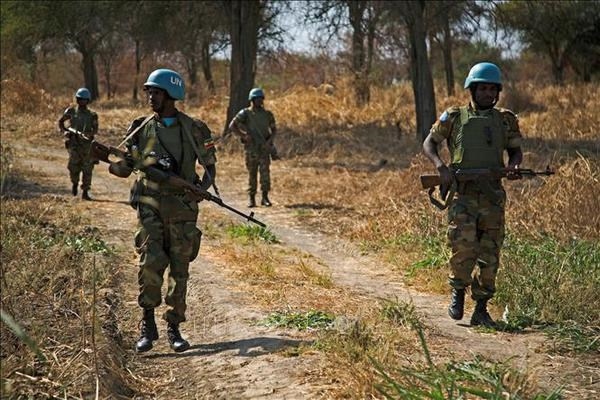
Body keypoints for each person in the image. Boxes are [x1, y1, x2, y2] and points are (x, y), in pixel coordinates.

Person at [115, 69, 217, 353]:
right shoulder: (140, 126)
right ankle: (148, 325)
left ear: (171, 96)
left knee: (179, 269)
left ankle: (175, 327)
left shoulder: (195, 128)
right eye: (148, 91)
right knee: (149, 263)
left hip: (182, 209)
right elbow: (123, 169)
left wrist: (200, 190)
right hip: (149, 206)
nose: (150, 97)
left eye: (156, 92)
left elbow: (210, 168)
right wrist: (111, 159)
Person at [422, 62, 523, 328]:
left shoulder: (505, 120)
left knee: (490, 255)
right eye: (483, 89)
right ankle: (457, 293)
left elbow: (515, 151)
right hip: (463, 196)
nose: (488, 93)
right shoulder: (454, 116)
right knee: (463, 248)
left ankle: (481, 308)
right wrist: (441, 167)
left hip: (492, 197)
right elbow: (429, 143)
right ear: (473, 90)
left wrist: (513, 166)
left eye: (492, 89)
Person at [228, 87, 278, 208]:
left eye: (261, 99)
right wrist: (244, 135)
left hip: (264, 149)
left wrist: (269, 142)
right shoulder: (245, 113)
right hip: (251, 149)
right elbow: (232, 126)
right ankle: (252, 198)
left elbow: (274, 130)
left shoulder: (268, 114)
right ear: (252, 100)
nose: (260, 101)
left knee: (265, 173)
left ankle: (265, 197)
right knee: (252, 174)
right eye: (257, 99)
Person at [58, 88, 98, 200]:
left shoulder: (92, 115)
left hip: (87, 146)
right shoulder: (71, 112)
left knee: (87, 169)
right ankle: (74, 184)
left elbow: (95, 129)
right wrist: (65, 131)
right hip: (74, 144)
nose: (81, 101)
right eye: (79, 99)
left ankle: (85, 191)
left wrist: (87, 135)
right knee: (73, 167)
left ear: (88, 100)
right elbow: (61, 122)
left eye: (84, 99)